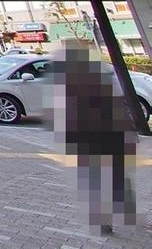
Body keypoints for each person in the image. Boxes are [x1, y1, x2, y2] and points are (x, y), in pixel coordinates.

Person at [52, 40, 137, 235]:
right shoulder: (94, 77)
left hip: (97, 136)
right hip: (102, 136)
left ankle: (111, 215)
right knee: (109, 177)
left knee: (102, 179)